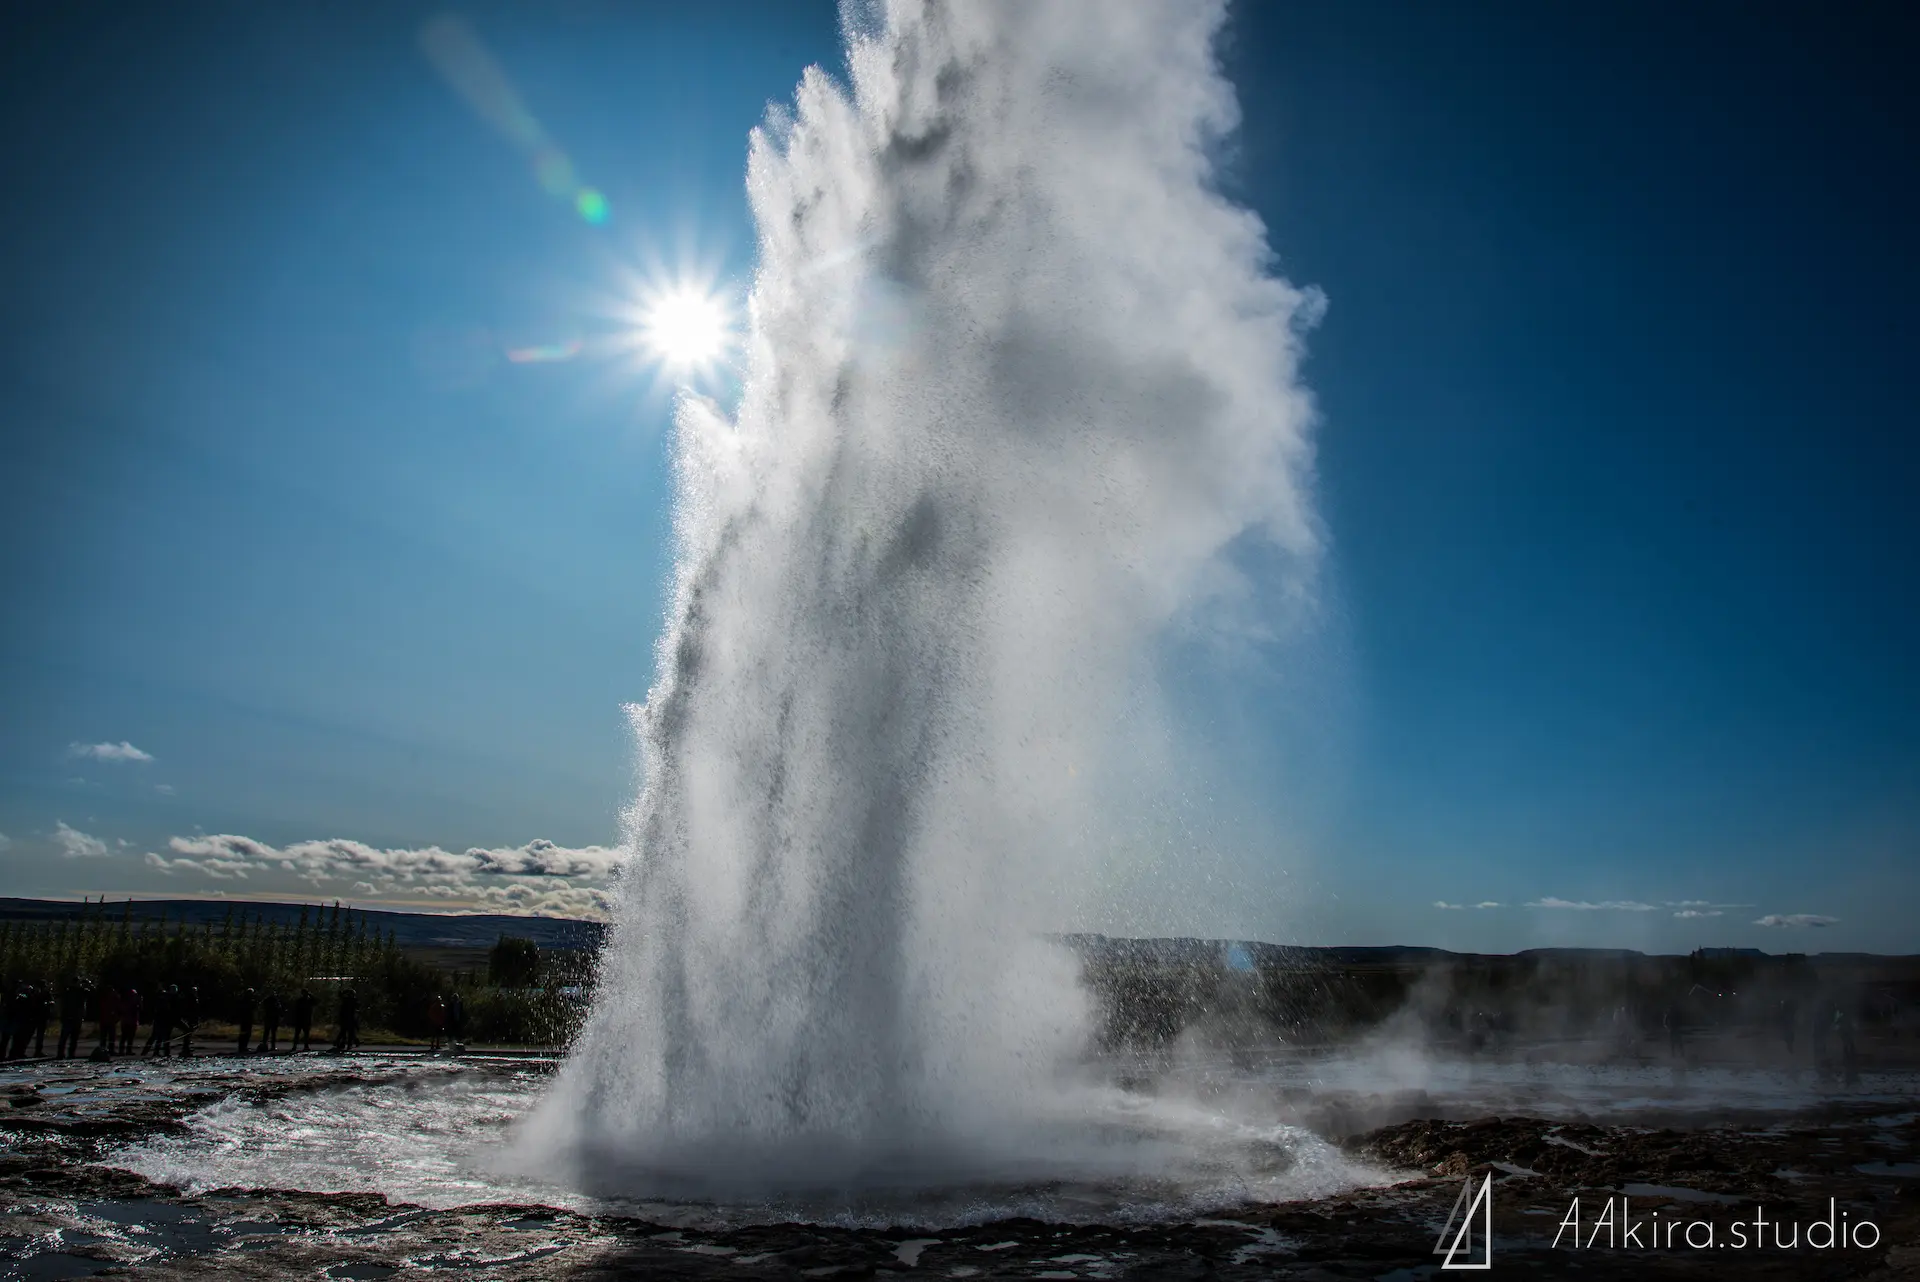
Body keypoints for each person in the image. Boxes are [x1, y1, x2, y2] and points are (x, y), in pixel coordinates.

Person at [57, 976, 86, 1059]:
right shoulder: (79, 992)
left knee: (68, 1037)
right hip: (73, 1016)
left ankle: (63, 1053)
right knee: (71, 1037)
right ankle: (68, 1053)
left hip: (71, 1016)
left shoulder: (68, 991)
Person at [144, 985, 176, 1057]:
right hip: (162, 1020)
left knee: (159, 1037)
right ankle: (159, 1052)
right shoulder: (164, 1001)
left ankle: (157, 1052)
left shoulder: (164, 1000)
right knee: (160, 1037)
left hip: (162, 1020)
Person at [333, 986, 360, 1052]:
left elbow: (340, 995)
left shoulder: (350, 1000)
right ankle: (343, 1044)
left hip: (349, 1018)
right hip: (347, 1018)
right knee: (345, 1032)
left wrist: (345, 991)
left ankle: (345, 1044)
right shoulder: (349, 1000)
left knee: (347, 1032)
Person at [177, 986, 201, 1057]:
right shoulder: (192, 999)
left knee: (189, 1034)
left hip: (192, 1018)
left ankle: (186, 1048)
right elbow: (192, 1010)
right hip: (191, 1018)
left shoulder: (193, 999)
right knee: (188, 1033)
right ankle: (186, 1049)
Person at [290, 987, 315, 1052]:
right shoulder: (301, 1001)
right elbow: (296, 1010)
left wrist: (310, 995)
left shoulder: (309, 1001)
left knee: (305, 1034)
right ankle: (296, 1046)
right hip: (301, 1019)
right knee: (298, 1034)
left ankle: (304, 1046)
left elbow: (317, 1001)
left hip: (305, 1020)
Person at [119, 987, 141, 1056]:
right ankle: (124, 1051)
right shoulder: (129, 1004)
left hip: (129, 1022)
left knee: (128, 1038)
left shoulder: (127, 1003)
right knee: (126, 1037)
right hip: (128, 1022)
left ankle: (126, 1050)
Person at [258, 990, 282, 1054]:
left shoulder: (266, 1000)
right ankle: (272, 1046)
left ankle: (264, 1045)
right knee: (273, 1033)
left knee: (266, 1032)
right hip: (273, 1018)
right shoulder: (276, 1001)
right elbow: (279, 1009)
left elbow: (262, 1008)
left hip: (268, 1018)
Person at [235, 988, 255, 1057]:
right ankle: (243, 1047)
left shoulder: (243, 1001)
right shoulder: (248, 1001)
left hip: (245, 1019)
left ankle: (242, 1047)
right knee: (245, 1033)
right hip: (246, 1019)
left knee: (244, 1033)